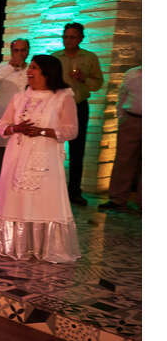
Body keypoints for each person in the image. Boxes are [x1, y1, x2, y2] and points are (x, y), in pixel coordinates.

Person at [0, 55, 81, 263]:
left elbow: (71, 130)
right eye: (29, 67)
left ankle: (45, 247)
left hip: (45, 158)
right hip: (17, 156)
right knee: (16, 200)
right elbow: (2, 125)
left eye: (34, 68)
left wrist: (43, 132)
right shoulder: (20, 97)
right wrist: (16, 128)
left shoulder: (63, 97)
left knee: (42, 201)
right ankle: (12, 244)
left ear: (48, 72)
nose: (29, 71)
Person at [52, 22, 103, 206]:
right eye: (65, 37)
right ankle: (51, 188)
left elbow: (98, 84)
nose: (68, 40)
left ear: (81, 38)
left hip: (79, 105)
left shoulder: (90, 58)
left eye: (72, 37)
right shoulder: (55, 57)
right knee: (52, 146)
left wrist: (84, 79)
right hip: (57, 107)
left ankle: (74, 191)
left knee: (77, 149)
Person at [0, 39, 30, 207]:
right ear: (11, 51)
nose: (19, 54)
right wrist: (10, 67)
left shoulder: (32, 69)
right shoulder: (1, 68)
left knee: (18, 159)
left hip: (23, 121)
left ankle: (13, 193)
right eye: (16, 50)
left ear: (27, 51)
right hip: (2, 118)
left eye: (22, 50)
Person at [99, 65, 142, 212]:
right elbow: (122, 95)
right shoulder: (131, 73)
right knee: (123, 160)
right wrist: (120, 116)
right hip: (131, 118)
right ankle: (117, 199)